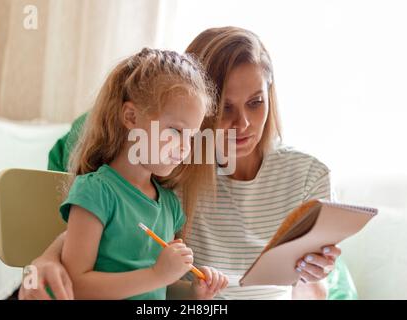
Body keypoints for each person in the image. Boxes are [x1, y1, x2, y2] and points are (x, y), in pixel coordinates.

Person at [20, 27, 357, 300]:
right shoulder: (172, 170)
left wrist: (317, 270)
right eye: (226, 108)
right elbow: (111, 214)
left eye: (256, 103)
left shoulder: (308, 174)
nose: (243, 124)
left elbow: (313, 289)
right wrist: (46, 259)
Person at [51, 48, 228, 300]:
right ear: (131, 116)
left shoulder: (169, 206)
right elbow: (75, 286)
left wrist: (195, 292)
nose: (185, 148)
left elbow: (158, 289)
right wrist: (157, 274)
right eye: (176, 131)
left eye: (191, 137)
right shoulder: (96, 192)